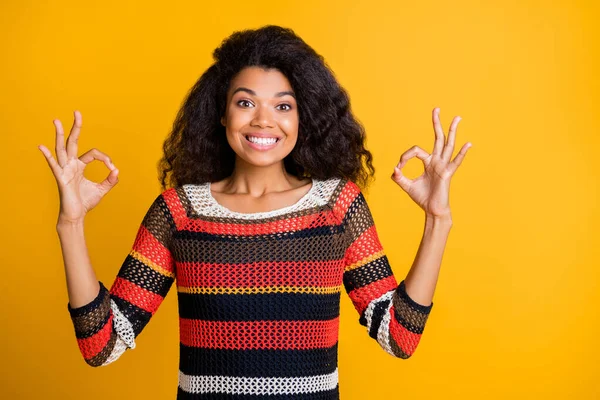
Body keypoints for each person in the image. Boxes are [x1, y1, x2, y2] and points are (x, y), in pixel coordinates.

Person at [39, 25, 472, 399]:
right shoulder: (178, 213)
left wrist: (438, 220)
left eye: (283, 106)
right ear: (221, 116)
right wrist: (71, 223)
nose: (264, 120)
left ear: (304, 119)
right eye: (246, 103)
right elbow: (102, 345)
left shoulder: (337, 207)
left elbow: (399, 336)